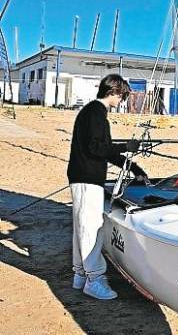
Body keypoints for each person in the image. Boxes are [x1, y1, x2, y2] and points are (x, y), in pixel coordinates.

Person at [67, 74, 147, 300]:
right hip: (86, 178)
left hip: (85, 177)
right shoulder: (95, 113)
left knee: (82, 227)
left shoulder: (95, 113)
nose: (122, 102)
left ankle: (80, 275)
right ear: (114, 92)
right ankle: (94, 279)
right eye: (122, 97)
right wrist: (125, 147)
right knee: (91, 227)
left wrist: (133, 167)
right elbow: (97, 148)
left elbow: (104, 149)